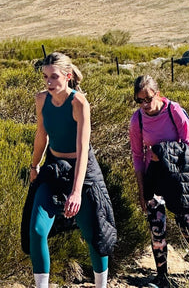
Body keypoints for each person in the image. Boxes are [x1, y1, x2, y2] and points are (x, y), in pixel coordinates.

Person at [22, 52, 116, 288]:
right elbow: (41, 136)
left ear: (68, 75)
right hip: (54, 167)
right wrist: (35, 166)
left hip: (81, 171)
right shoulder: (41, 99)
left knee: (94, 232)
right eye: (45, 77)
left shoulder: (79, 103)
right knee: (36, 229)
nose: (49, 82)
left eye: (54, 77)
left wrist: (75, 192)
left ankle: (100, 285)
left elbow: (83, 149)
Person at [129, 75, 189, 287]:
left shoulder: (174, 111)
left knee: (184, 221)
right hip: (154, 178)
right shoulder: (138, 120)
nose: (145, 105)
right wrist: (142, 190)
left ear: (157, 94)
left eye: (148, 99)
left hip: (176, 176)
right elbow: (137, 155)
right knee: (156, 226)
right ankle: (162, 275)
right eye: (139, 100)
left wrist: (163, 153)